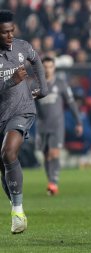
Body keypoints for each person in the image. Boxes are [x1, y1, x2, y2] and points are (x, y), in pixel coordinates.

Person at [0, 10, 48, 234]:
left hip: (22, 110)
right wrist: (10, 81)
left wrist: (43, 87)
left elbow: (36, 60)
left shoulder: (22, 46)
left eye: (12, 31)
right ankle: (16, 207)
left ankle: (17, 211)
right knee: (4, 166)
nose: (9, 36)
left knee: (9, 152)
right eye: (4, 33)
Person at [35, 56, 83, 195]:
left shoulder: (61, 83)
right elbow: (32, 106)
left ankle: (53, 183)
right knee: (46, 156)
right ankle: (50, 180)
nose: (48, 69)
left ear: (54, 67)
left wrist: (78, 122)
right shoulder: (36, 85)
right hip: (42, 125)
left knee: (54, 153)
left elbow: (71, 103)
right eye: (45, 67)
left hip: (57, 125)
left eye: (50, 66)